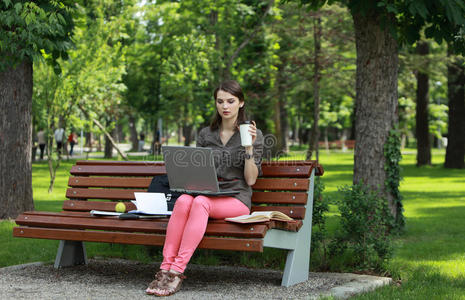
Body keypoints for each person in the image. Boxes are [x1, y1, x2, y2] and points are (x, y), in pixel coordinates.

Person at [145, 80, 263, 296]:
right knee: (183, 200)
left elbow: (251, 179)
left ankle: (176, 272)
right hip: (208, 193)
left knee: (199, 203)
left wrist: (249, 147)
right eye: (220, 101)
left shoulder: (254, 135)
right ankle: (164, 269)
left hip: (237, 198)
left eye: (231, 101)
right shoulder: (205, 134)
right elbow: (198, 172)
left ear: (241, 103)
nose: (225, 106)